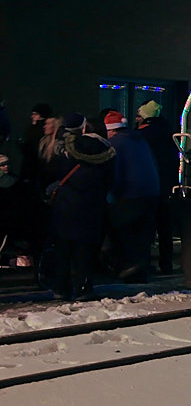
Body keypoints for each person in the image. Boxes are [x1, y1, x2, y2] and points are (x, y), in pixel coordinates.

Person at [46, 113, 114, 301]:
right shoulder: (108, 152)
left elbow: (53, 170)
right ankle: (84, 288)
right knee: (84, 251)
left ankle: (61, 288)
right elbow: (111, 182)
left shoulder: (70, 149)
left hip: (66, 205)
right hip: (91, 207)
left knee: (63, 249)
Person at [104, 111, 159, 282]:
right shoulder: (140, 140)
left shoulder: (114, 144)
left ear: (111, 130)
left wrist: (111, 195)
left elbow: (116, 174)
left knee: (122, 232)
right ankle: (140, 268)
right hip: (151, 193)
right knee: (142, 235)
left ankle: (126, 268)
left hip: (129, 196)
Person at [135, 101, 177, 273]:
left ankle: (144, 263)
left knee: (146, 227)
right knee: (164, 227)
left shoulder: (142, 136)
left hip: (148, 185)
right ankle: (166, 263)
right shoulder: (168, 133)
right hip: (166, 184)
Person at [21, 104, 52, 184]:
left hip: (35, 167)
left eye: (35, 114)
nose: (32, 117)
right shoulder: (35, 129)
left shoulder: (37, 130)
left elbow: (31, 148)